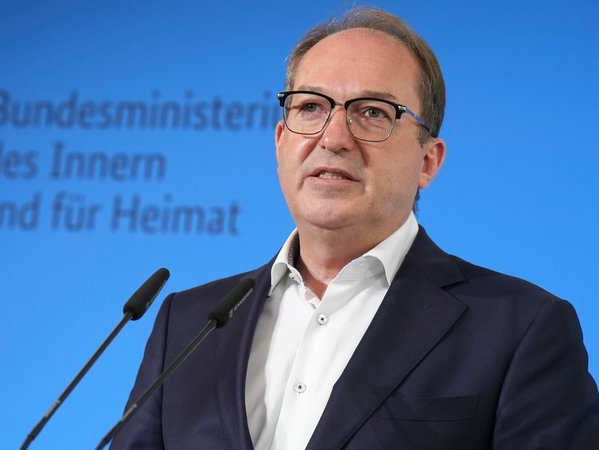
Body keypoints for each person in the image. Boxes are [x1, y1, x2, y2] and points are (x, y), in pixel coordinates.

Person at [110, 7, 598, 449]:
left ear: (428, 161)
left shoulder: (519, 328)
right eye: (310, 107)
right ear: (280, 142)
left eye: (371, 112)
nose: (333, 137)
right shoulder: (188, 323)